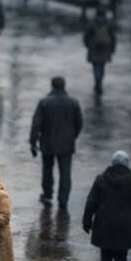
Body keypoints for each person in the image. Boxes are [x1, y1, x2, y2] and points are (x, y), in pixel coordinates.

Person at [30, 77, 83, 210]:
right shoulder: (73, 103)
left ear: (52, 86)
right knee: (65, 172)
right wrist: (72, 136)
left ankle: (48, 194)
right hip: (66, 143)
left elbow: (36, 123)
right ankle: (63, 199)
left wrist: (33, 142)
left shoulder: (44, 102)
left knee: (47, 169)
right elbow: (79, 123)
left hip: (47, 141)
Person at [83, 9, 116, 95]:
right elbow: (113, 38)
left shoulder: (92, 24)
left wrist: (88, 45)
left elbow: (86, 37)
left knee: (96, 67)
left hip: (94, 47)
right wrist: (112, 49)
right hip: (106, 48)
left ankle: (98, 84)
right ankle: (99, 82)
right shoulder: (108, 24)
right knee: (102, 66)